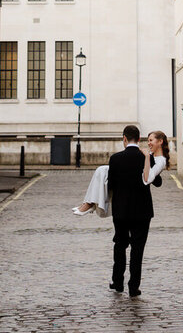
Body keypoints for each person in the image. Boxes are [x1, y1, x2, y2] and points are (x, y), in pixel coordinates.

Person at [106, 127, 167, 296]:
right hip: (142, 211)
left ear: (124, 138)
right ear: (139, 138)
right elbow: (157, 182)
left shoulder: (115, 159)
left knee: (120, 245)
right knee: (137, 249)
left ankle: (117, 282)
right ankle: (134, 287)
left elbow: (110, 186)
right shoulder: (147, 157)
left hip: (121, 211)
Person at [72, 129, 169, 218]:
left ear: (160, 141)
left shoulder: (161, 161)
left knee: (103, 171)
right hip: (132, 175)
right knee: (101, 170)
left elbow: (148, 178)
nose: (148, 143)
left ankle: (91, 204)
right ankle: (89, 203)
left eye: (151, 140)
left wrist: (147, 157)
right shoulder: (151, 154)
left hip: (135, 181)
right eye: (148, 141)